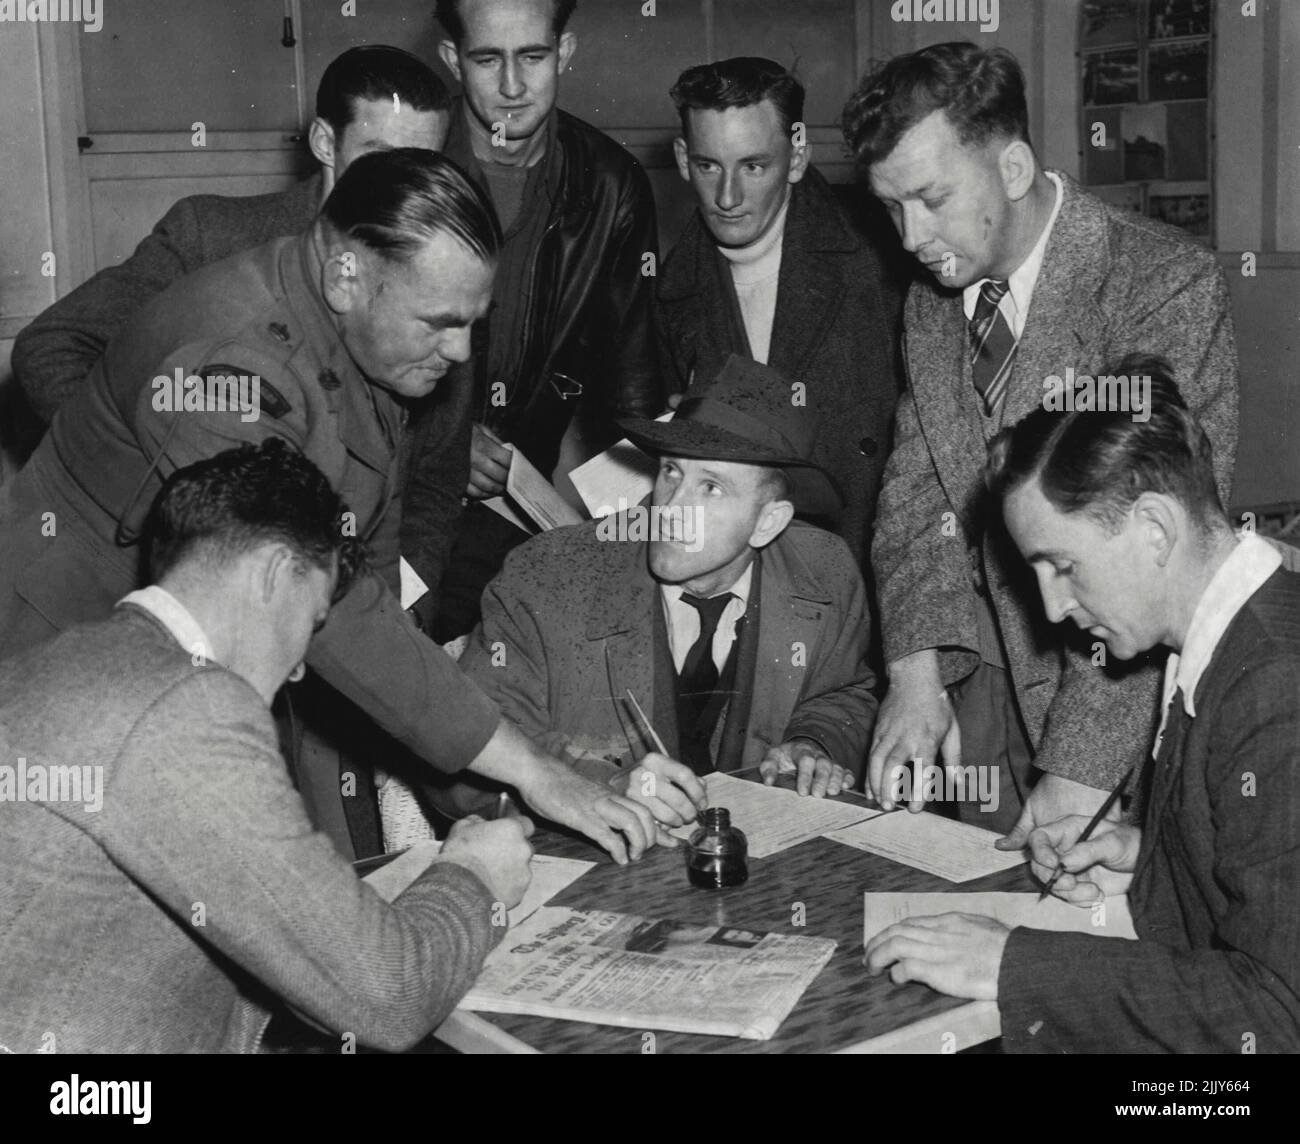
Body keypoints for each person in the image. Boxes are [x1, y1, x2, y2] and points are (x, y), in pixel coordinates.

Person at [0, 148, 658, 867]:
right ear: (346, 273)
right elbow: (327, 607)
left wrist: (522, 771)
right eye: (440, 322)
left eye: (473, 321)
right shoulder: (236, 371)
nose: (463, 351)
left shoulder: (360, 325)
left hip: (227, 648)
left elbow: (367, 561)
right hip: (76, 658)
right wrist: (533, 771)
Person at [0, 441, 534, 1054]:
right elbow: (389, 999)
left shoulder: (56, 664)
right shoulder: (185, 703)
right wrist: (474, 877)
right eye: (311, 623)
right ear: (276, 574)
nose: (302, 669)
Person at [841, 41, 1238, 835]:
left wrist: (1078, 770)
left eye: (931, 198)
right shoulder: (935, 296)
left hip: (1116, 693)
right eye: (892, 208)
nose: (912, 237)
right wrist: (915, 672)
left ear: (1014, 169)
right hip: (983, 672)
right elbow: (919, 497)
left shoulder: (1162, 286)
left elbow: (1153, 561)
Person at [865, 359, 1300, 1054]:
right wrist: (1161, 866)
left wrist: (1014, 965)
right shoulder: (1226, 638)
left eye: (1063, 566)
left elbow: (1277, 1019)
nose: (1052, 608)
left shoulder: (1276, 685)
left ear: (1155, 529)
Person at [448, 355, 877, 826]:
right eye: (672, 472)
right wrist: (600, 784)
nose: (671, 507)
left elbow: (841, 693)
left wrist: (813, 742)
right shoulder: (549, 576)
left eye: (710, 487)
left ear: (768, 522)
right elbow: (462, 742)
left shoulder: (825, 571)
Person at [14, 45, 451, 425]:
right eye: (379, 160)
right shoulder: (212, 235)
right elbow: (53, 345)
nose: (402, 187)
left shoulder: (449, 267)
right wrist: (140, 470)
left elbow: (432, 473)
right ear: (323, 143)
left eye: (422, 165)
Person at [409, 0, 665, 640]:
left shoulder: (612, 183)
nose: (513, 87)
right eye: (487, 59)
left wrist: (626, 543)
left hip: (514, 506)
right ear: (451, 61)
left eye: (533, 57)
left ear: (566, 52)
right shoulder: (409, 162)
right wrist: (438, 444)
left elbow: (635, 390)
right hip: (400, 489)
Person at [656, 56, 904, 572]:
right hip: (747, 585)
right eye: (708, 165)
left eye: (753, 166)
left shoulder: (886, 254)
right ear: (683, 159)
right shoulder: (667, 291)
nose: (727, 197)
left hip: (875, 569)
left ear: (796, 158)